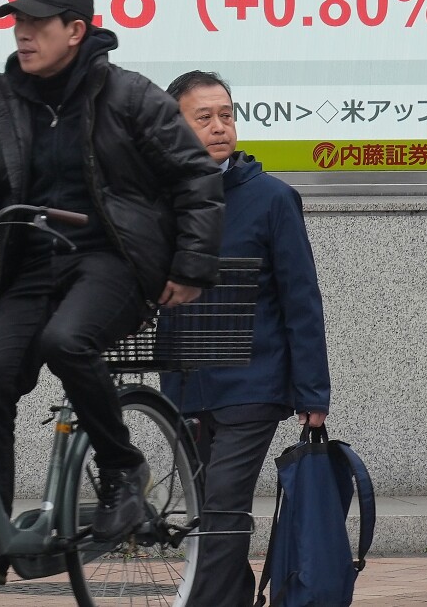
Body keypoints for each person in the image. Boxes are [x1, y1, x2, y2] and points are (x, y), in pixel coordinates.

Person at [0, 0, 223, 582]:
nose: (22, 34)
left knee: (66, 340)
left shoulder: (129, 96)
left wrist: (191, 266)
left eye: (36, 23)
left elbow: (195, 176)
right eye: (17, 24)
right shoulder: (5, 101)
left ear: (75, 30)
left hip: (113, 259)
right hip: (32, 263)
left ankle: (123, 469)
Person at [161, 70, 331, 607]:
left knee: (221, 508)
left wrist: (312, 393)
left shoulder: (272, 198)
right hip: (186, 386)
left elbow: (301, 299)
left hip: (253, 383)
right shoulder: (160, 202)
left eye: (226, 115)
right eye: (204, 118)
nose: (220, 127)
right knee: (208, 510)